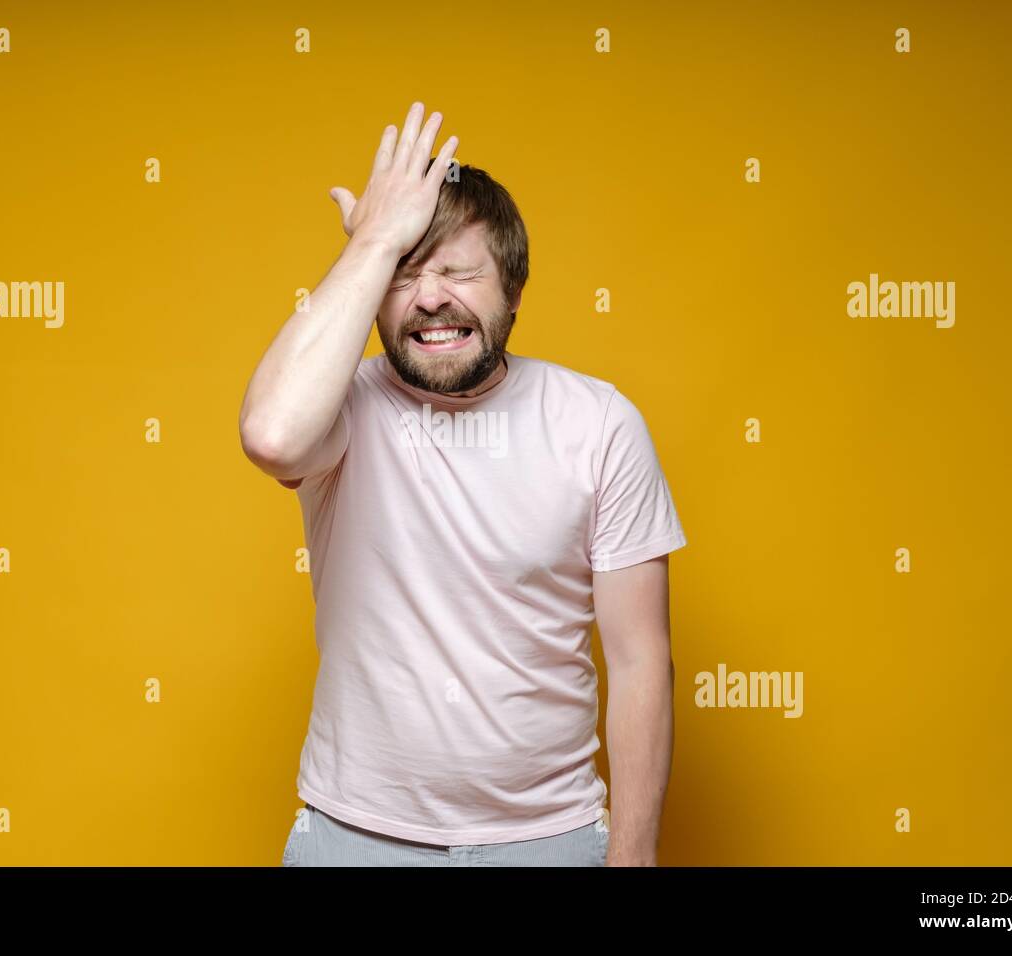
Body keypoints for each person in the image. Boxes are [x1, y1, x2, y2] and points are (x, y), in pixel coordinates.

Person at [240, 102, 687, 866]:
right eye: (405, 276)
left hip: (549, 841)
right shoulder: (342, 410)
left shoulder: (600, 424)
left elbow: (641, 658)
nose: (431, 298)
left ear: (513, 291)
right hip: (355, 839)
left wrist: (636, 855)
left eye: (459, 271)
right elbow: (272, 436)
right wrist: (374, 243)